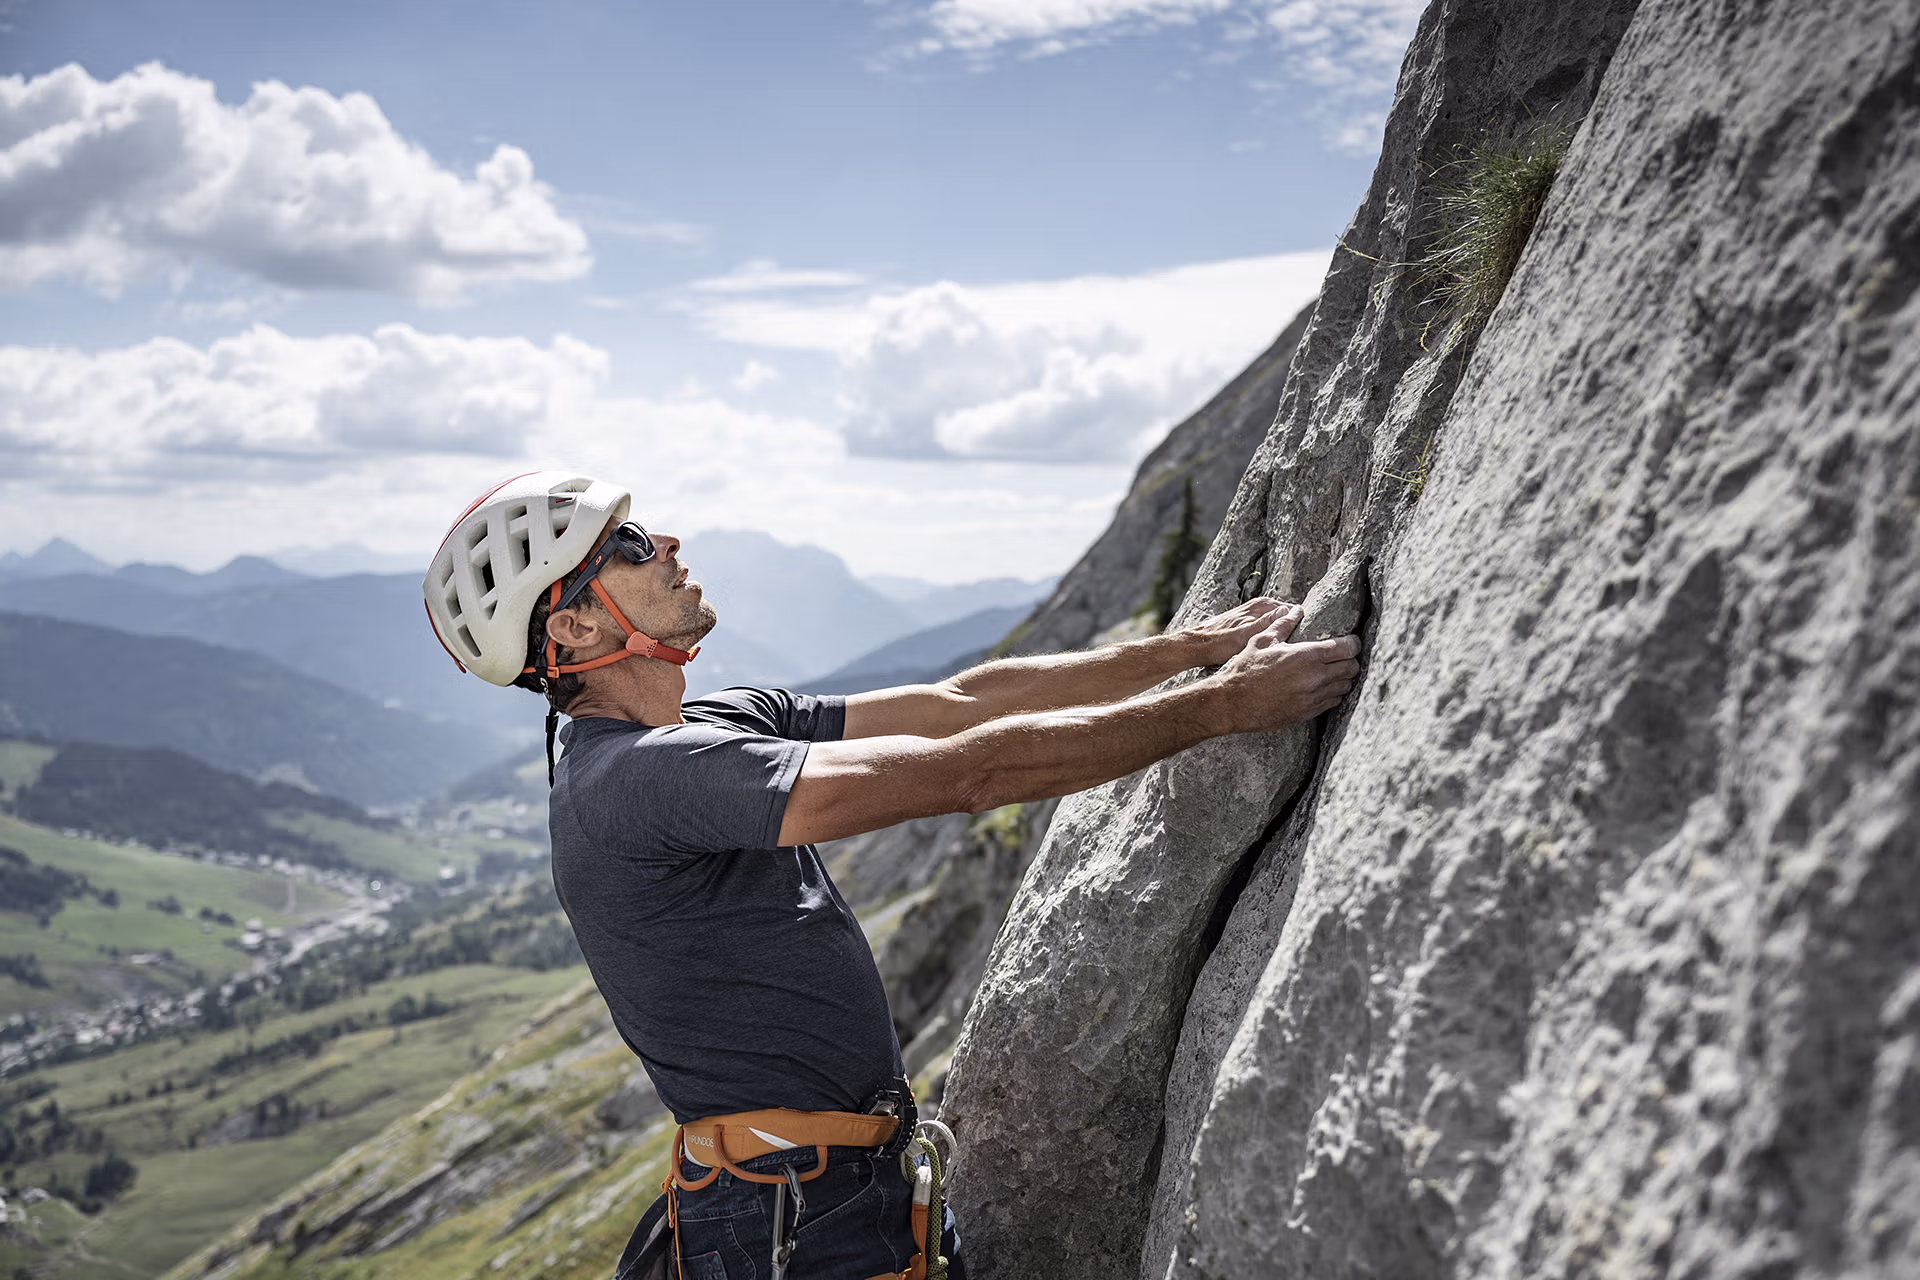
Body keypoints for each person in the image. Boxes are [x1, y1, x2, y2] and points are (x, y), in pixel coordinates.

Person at [424, 472, 1362, 1280]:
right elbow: (965, 774)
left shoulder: (711, 725)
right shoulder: (640, 779)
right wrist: (1223, 707)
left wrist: (1186, 651)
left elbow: (959, 702)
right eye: (627, 545)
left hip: (817, 1195)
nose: (665, 542)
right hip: (796, 1220)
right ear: (578, 622)